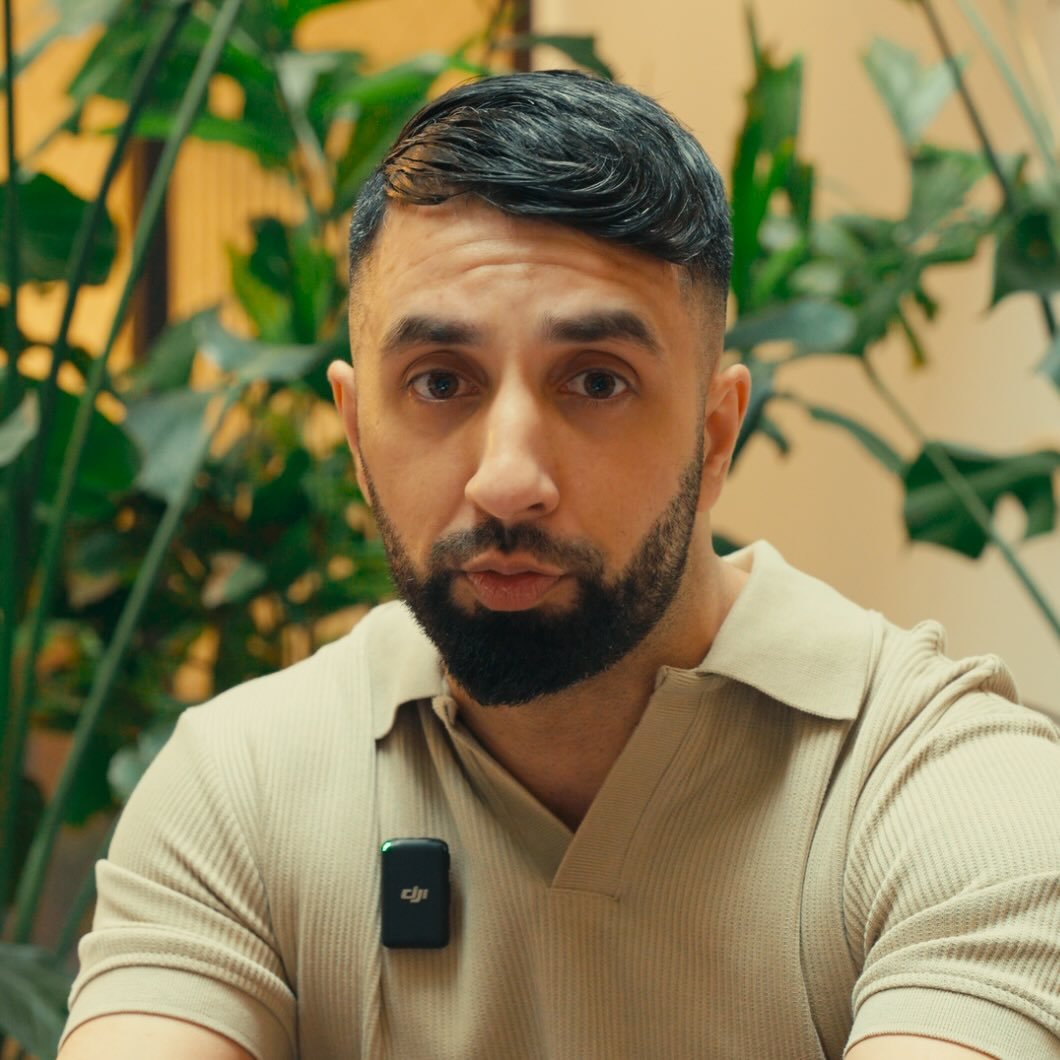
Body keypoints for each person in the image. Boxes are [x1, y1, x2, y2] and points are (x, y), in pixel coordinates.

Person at [59, 70, 1059, 1060]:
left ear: (715, 435)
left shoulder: (947, 788)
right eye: (439, 382)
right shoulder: (239, 787)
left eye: (595, 382)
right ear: (357, 436)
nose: (507, 481)